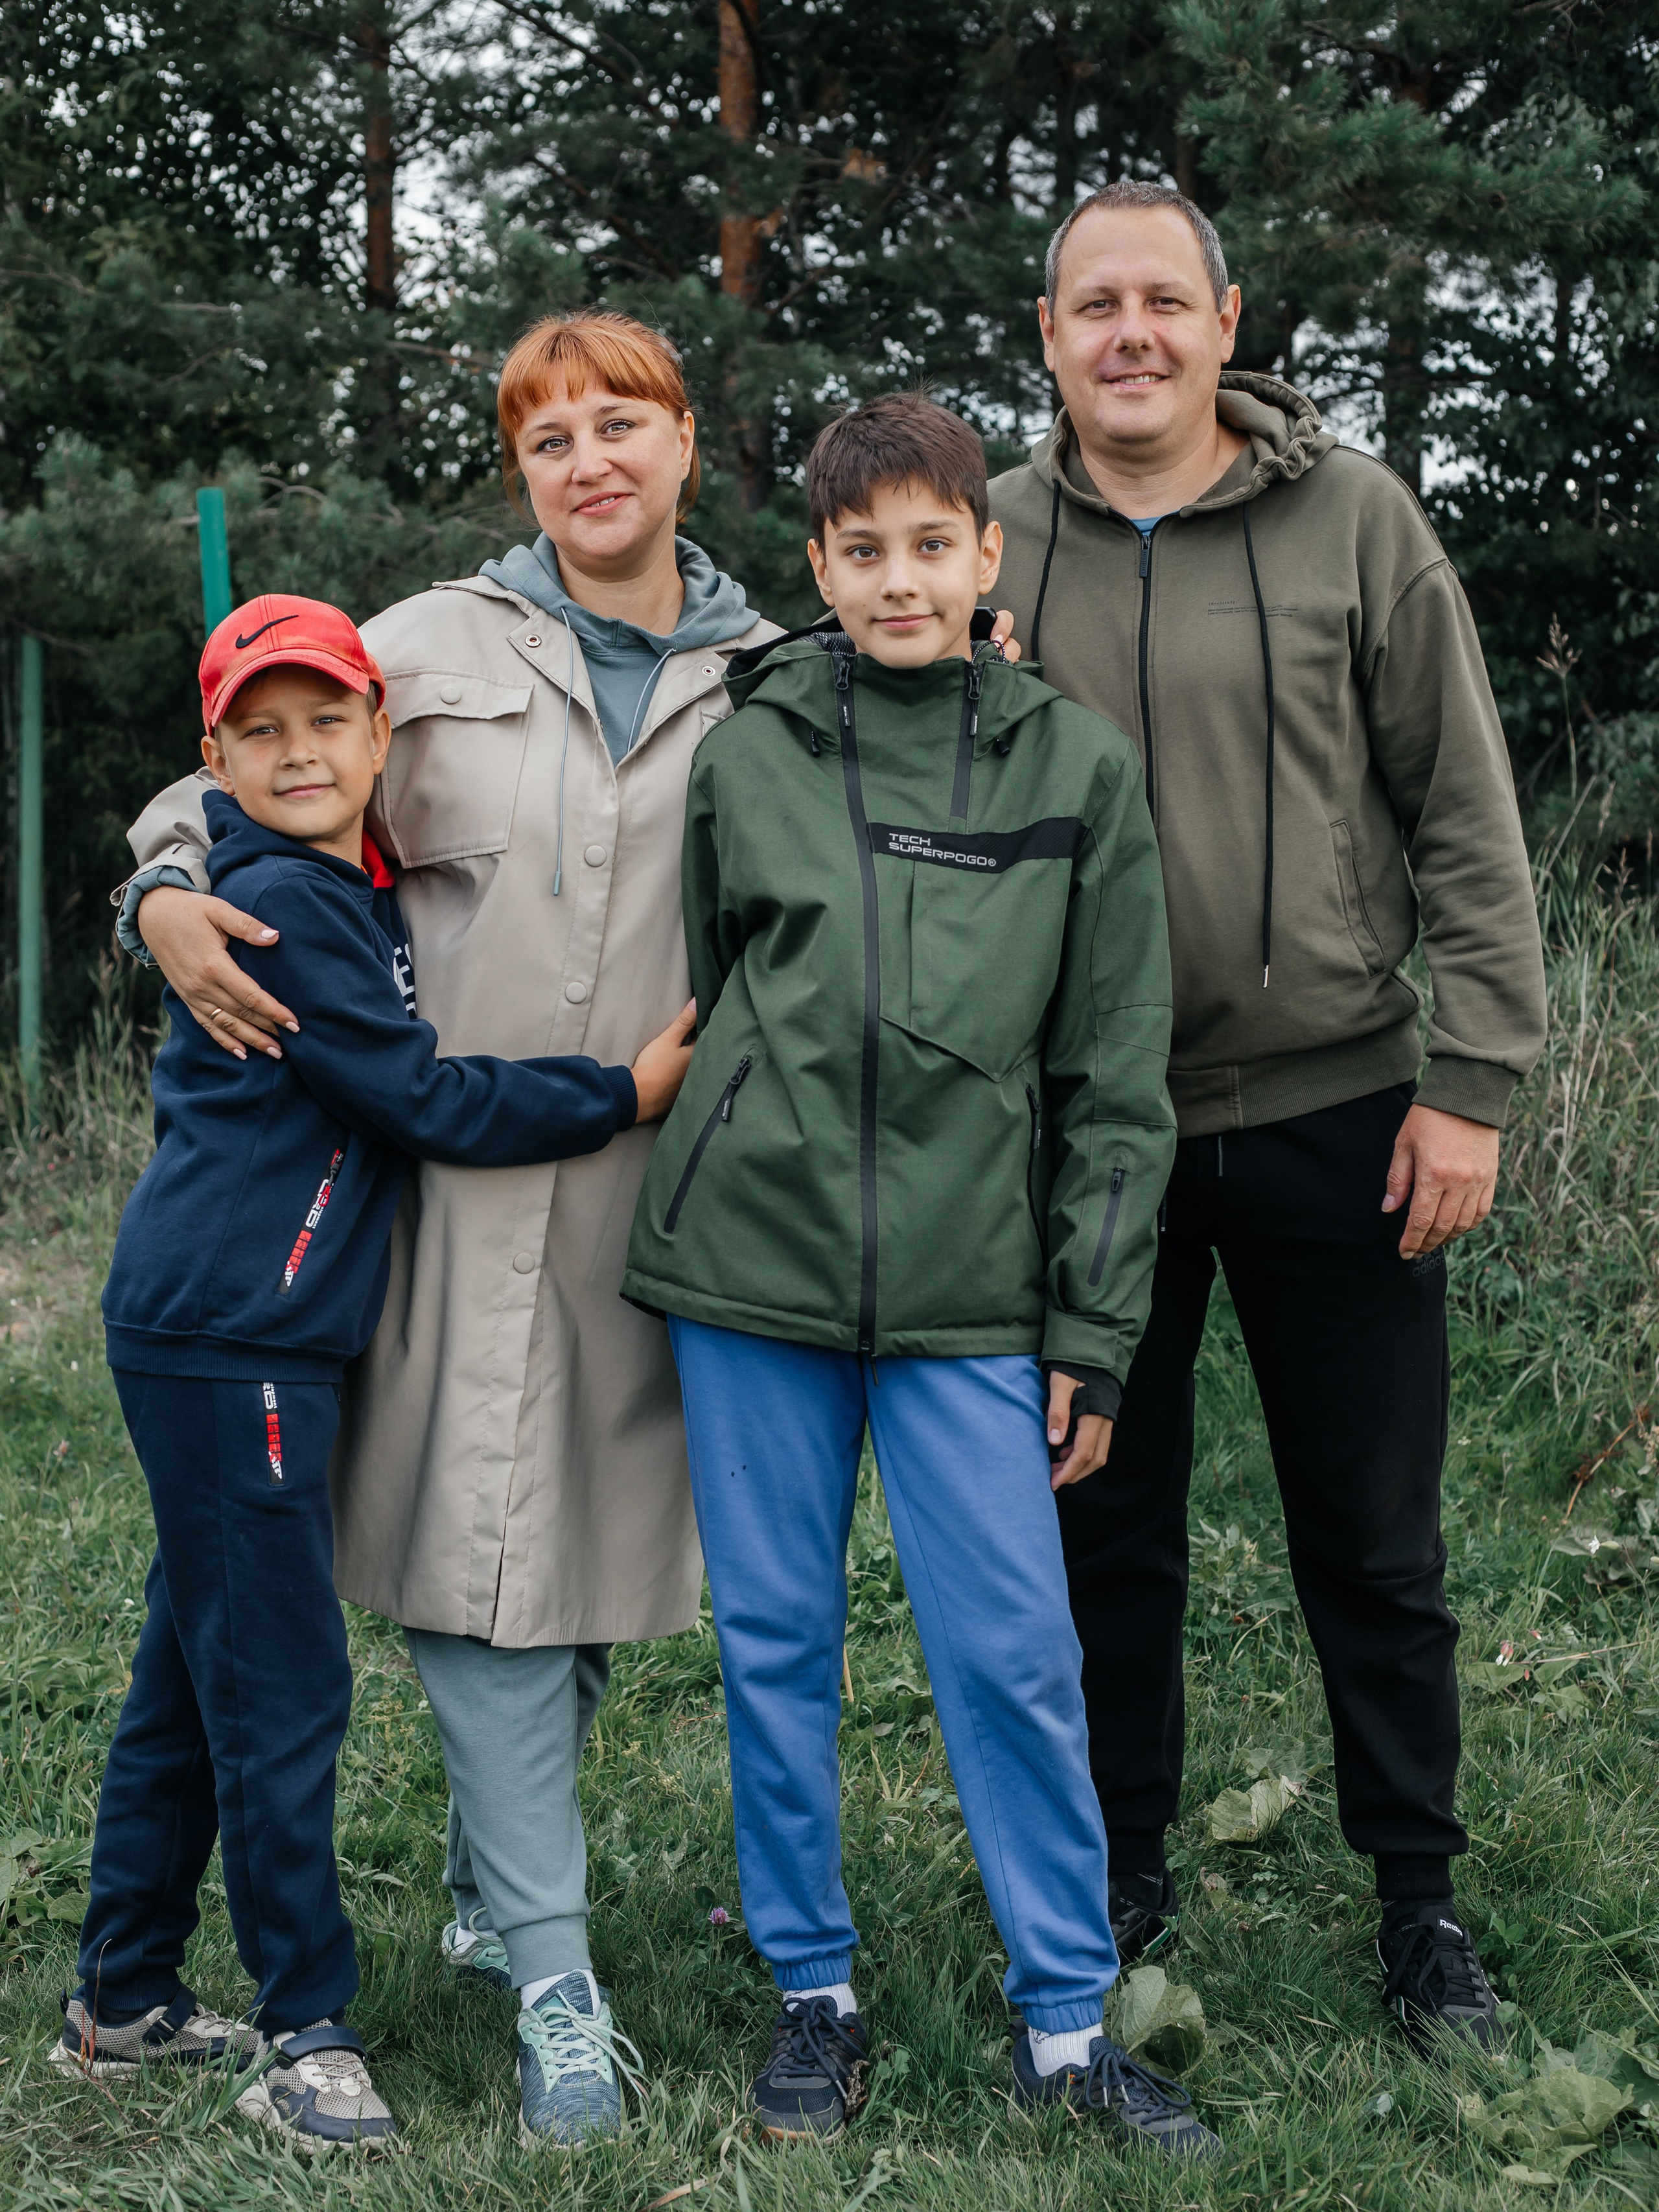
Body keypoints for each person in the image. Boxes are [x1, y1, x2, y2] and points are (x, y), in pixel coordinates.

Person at [110, 313, 776, 2145]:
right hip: (433, 1198)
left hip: (660, 1203)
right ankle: (555, 1974)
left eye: (620, 422)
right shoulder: (427, 648)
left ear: (685, 441)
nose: (588, 460)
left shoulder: (777, 674)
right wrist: (163, 893)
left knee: (581, 1564)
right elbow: (236, 773)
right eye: (548, 434)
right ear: (522, 470)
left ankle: (490, 1893)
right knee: (483, 1557)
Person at [622, 393, 1219, 2158]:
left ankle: (1063, 2016)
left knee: (1018, 1650)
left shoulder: (1072, 766)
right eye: (862, 549)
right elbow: (715, 966)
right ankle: (813, 1991)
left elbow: (1117, 1071)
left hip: (975, 1291)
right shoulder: (752, 747)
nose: (899, 580)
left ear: (988, 553)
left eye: (931, 545)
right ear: (818, 565)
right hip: (754, 1275)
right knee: (780, 1643)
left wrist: (1092, 1328)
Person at [988, 180, 1548, 2050]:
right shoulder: (980, 538)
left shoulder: (1356, 518)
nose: (1130, 331)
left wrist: (1469, 1083)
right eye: (1095, 304)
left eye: (1165, 298)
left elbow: (1463, 812)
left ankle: (1420, 1904)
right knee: (1105, 1526)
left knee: (1371, 1532)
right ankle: (1119, 1862)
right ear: (1047, 332)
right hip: (1089, 1134)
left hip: (1344, 1105)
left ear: (1228, 319)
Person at [64, 598, 693, 2148]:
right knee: (278, 1694)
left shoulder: (339, 879)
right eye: (258, 731)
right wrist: (622, 1090)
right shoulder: (287, 902)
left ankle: (125, 1991)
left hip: (228, 1326)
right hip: (237, 1335)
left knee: (190, 1668)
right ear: (214, 756)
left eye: (325, 722)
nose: (297, 752)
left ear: (381, 740)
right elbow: (419, 1096)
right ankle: (305, 2029)